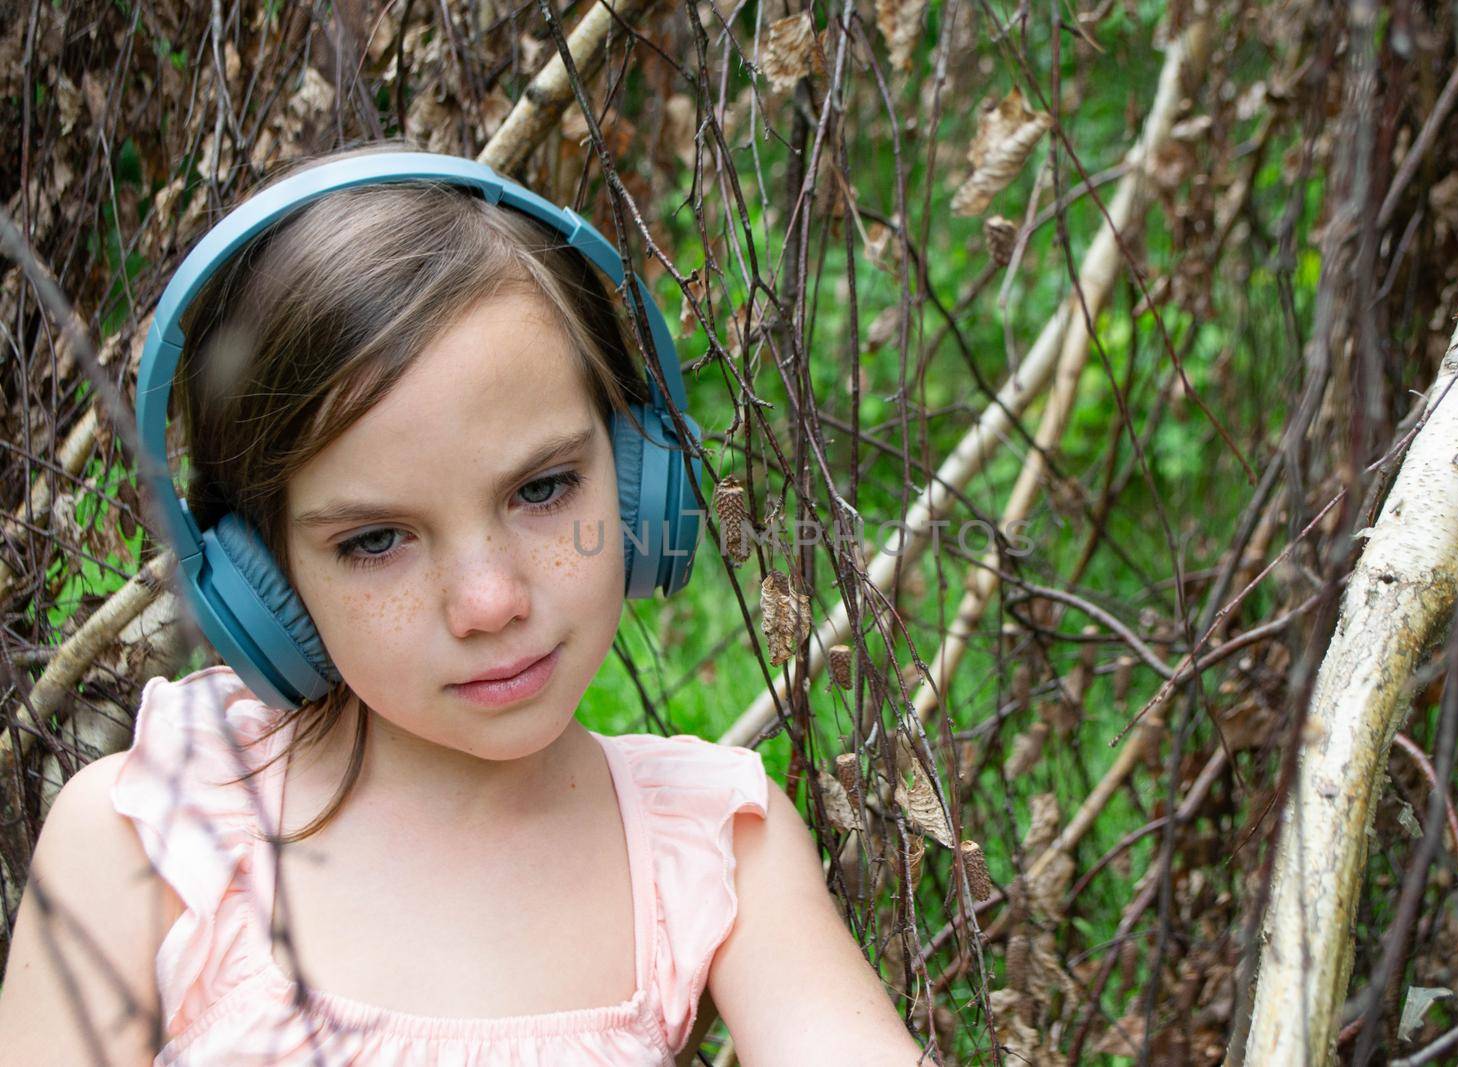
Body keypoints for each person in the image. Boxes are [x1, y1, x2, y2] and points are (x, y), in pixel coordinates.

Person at [0, 143, 929, 1066]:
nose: (489, 602)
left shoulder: (715, 853)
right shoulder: (153, 840)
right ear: (263, 580)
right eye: (374, 541)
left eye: (542, 488)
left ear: (643, 481)